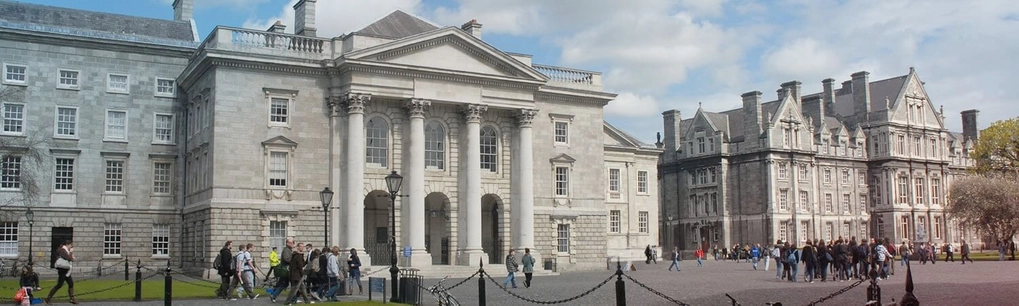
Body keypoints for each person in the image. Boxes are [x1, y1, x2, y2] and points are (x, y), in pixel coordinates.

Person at [45, 240, 76, 304]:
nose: (71, 247)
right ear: (67, 244)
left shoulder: (64, 250)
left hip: (66, 270)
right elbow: (69, 258)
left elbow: (69, 258)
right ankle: (48, 298)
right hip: (63, 270)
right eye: (70, 245)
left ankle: (72, 299)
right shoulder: (62, 250)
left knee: (71, 283)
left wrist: (71, 255)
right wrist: (70, 252)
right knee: (59, 285)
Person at [270, 238, 294, 302]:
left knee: (284, 284)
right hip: (286, 270)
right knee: (293, 284)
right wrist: (294, 260)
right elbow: (286, 259)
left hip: (287, 269)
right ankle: (293, 299)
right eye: (292, 243)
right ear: (287, 243)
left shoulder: (289, 250)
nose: (293, 244)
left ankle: (274, 295)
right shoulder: (286, 250)